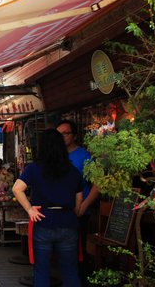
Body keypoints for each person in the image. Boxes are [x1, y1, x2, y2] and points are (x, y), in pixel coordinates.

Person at [12, 128, 83, 287]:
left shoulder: (34, 168)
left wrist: (30, 210)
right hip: (68, 221)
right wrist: (73, 213)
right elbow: (78, 203)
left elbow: (17, 189)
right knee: (70, 271)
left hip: (43, 220)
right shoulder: (73, 171)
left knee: (42, 270)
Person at [57, 119, 97, 284]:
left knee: (78, 253)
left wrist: (84, 206)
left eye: (65, 133)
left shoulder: (84, 156)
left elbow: (98, 184)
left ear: (74, 136)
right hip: (60, 213)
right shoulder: (57, 156)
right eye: (58, 134)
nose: (61, 137)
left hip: (79, 213)